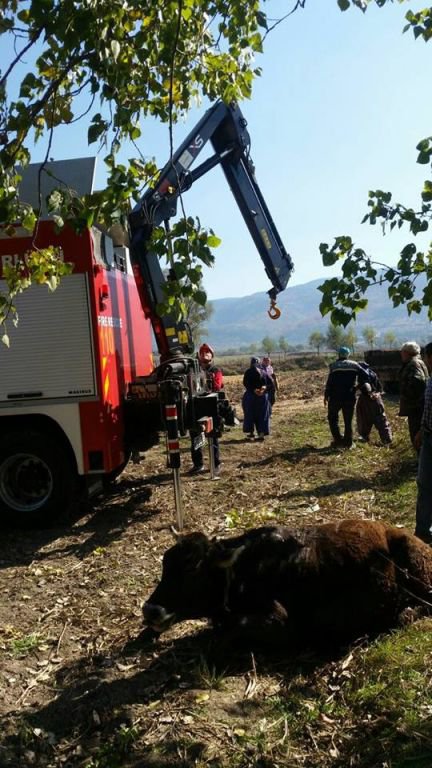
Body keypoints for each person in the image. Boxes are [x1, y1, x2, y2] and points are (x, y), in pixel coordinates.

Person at [189, 343, 223, 474]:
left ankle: (215, 464)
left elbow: (217, 386)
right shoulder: (193, 371)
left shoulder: (216, 370)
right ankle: (198, 464)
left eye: (207, 352)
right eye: (202, 352)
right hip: (195, 407)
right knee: (196, 436)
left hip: (211, 406)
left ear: (211, 356)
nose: (204, 354)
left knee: (212, 436)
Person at [324, 346, 368, 449]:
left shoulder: (333, 366)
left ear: (338, 354)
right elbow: (366, 376)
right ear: (348, 355)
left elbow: (329, 382)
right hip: (349, 396)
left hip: (335, 397)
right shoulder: (355, 365)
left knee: (332, 418)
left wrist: (326, 395)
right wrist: (357, 386)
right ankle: (348, 443)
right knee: (348, 420)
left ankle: (338, 440)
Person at [414, 342, 432, 543]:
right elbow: (428, 411)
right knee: (425, 484)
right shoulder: (430, 381)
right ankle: (422, 530)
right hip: (428, 437)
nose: (425, 361)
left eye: (426, 357)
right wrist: (421, 431)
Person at [399, 341, 429, 451]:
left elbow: (419, 382)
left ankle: (421, 464)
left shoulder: (413, 363)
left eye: (402, 352)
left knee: (416, 437)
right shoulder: (418, 362)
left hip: (416, 408)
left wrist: (408, 394)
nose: (401, 354)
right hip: (417, 406)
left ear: (407, 352)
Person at [356, 362, 392, 444]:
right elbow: (380, 388)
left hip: (366, 399)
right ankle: (387, 439)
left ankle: (364, 437)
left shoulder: (362, 375)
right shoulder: (373, 374)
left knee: (364, 419)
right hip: (377, 398)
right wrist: (377, 394)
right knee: (381, 419)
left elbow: (365, 386)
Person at [242, 356, 273, 440]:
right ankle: (261, 434)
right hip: (262, 397)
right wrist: (263, 389)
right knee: (262, 415)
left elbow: (245, 383)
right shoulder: (263, 372)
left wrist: (254, 390)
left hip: (251, 397)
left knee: (250, 414)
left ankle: (251, 433)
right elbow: (270, 384)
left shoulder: (248, 372)